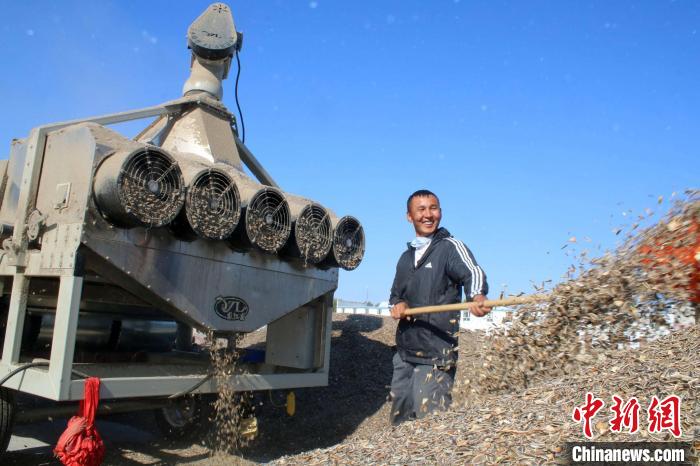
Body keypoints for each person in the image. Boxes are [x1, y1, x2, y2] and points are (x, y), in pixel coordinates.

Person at [388, 189, 490, 425]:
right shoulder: (405, 257)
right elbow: (395, 294)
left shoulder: (449, 247)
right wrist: (398, 304)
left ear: (440, 213)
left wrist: (477, 295)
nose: (428, 214)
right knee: (399, 423)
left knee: (430, 425)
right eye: (421, 209)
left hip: (436, 354)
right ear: (409, 216)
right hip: (404, 353)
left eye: (433, 208)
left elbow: (472, 272)